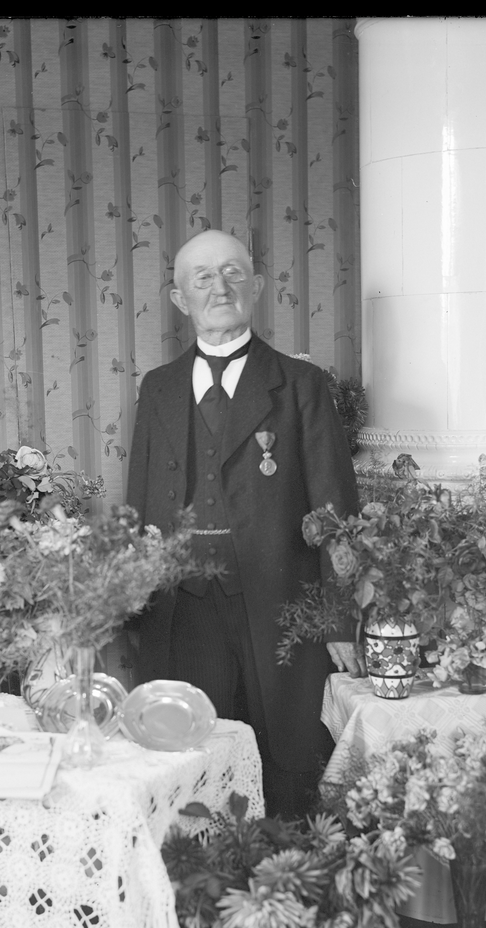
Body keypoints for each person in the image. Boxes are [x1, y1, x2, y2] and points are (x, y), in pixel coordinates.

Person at [126, 229, 364, 820]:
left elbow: (336, 510)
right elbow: (140, 503)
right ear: (180, 298)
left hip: (280, 609)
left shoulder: (301, 386)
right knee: (190, 765)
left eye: (233, 273)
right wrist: (130, 603)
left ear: (256, 286)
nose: (220, 287)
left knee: (287, 757)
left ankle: (288, 870)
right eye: (203, 277)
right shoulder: (157, 388)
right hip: (182, 610)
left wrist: (338, 620)